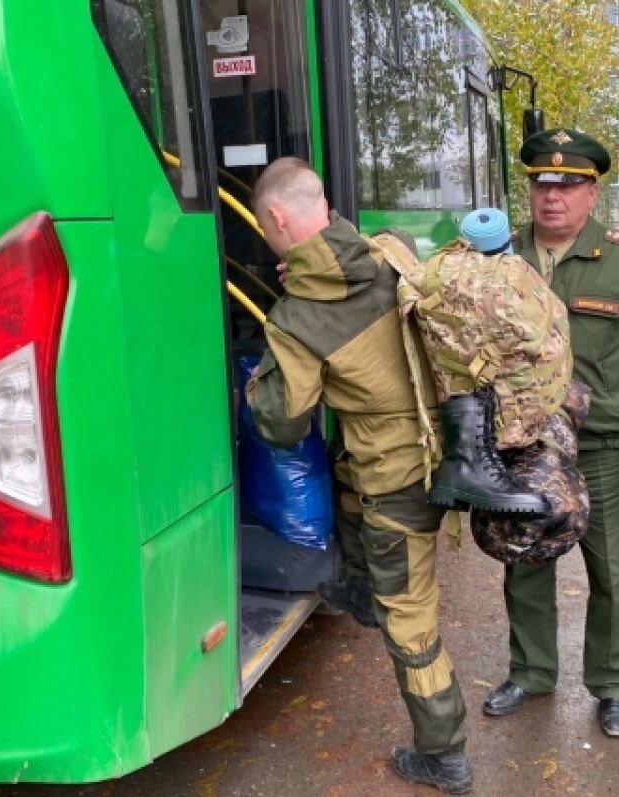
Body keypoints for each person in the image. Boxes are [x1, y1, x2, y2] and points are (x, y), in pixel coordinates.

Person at [245, 157, 472, 794]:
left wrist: (260, 378)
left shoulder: (298, 319)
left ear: (279, 219)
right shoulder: (389, 250)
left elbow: (283, 423)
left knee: (411, 618)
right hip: (445, 443)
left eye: (265, 229)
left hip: (400, 477)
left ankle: (444, 750)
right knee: (348, 490)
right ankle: (359, 589)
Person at [482, 127, 619, 737]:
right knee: (523, 560)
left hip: (604, 445)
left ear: (591, 192)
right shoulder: (497, 256)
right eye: (543, 184)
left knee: (614, 572)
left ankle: (613, 685)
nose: (554, 197)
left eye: (569, 185)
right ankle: (531, 671)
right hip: (520, 445)